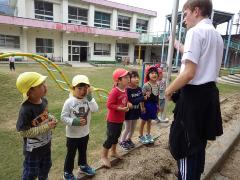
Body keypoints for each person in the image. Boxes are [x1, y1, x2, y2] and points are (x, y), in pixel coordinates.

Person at [165, 0, 224, 179]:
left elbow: (189, 73)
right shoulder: (216, 35)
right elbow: (201, 58)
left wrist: (168, 91)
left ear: (196, 11)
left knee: (184, 145)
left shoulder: (195, 32)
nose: (184, 20)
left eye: (185, 14)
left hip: (193, 99)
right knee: (198, 144)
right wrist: (178, 45)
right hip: (208, 95)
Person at [16, 72, 58, 180]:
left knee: (46, 168)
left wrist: (51, 118)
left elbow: (44, 115)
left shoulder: (44, 101)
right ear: (30, 92)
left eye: (44, 83)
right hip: (33, 150)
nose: (45, 86)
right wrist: (46, 127)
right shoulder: (26, 109)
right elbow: (23, 132)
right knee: (31, 173)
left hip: (46, 145)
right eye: (40, 85)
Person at [61, 75, 98, 179]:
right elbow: (63, 117)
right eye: (79, 88)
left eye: (85, 88)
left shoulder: (88, 99)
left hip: (85, 133)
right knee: (71, 154)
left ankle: (83, 166)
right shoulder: (69, 102)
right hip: (72, 135)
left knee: (83, 151)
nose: (83, 91)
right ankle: (67, 172)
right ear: (73, 89)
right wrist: (74, 121)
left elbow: (95, 109)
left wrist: (90, 97)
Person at [101, 68, 130, 168]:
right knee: (110, 138)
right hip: (112, 120)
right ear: (118, 80)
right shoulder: (114, 91)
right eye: (125, 77)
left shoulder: (124, 89)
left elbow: (125, 100)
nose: (128, 79)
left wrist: (128, 104)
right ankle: (104, 156)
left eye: (128, 77)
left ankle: (113, 152)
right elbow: (109, 105)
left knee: (116, 136)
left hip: (120, 119)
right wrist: (120, 108)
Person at [119, 70, 145, 151]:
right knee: (127, 128)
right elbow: (133, 101)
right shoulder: (127, 90)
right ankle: (122, 141)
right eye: (134, 77)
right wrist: (142, 98)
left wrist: (142, 107)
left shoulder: (139, 89)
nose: (137, 79)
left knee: (133, 128)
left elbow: (141, 100)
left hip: (136, 111)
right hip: (128, 113)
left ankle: (128, 139)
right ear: (128, 79)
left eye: (137, 77)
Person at [139, 66, 159, 145]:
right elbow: (142, 97)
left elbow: (157, 96)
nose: (154, 75)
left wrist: (157, 106)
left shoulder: (157, 85)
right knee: (143, 121)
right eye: (152, 73)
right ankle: (141, 136)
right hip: (146, 105)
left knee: (150, 121)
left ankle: (148, 134)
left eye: (156, 73)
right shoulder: (146, 85)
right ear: (148, 75)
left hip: (153, 106)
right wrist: (142, 107)